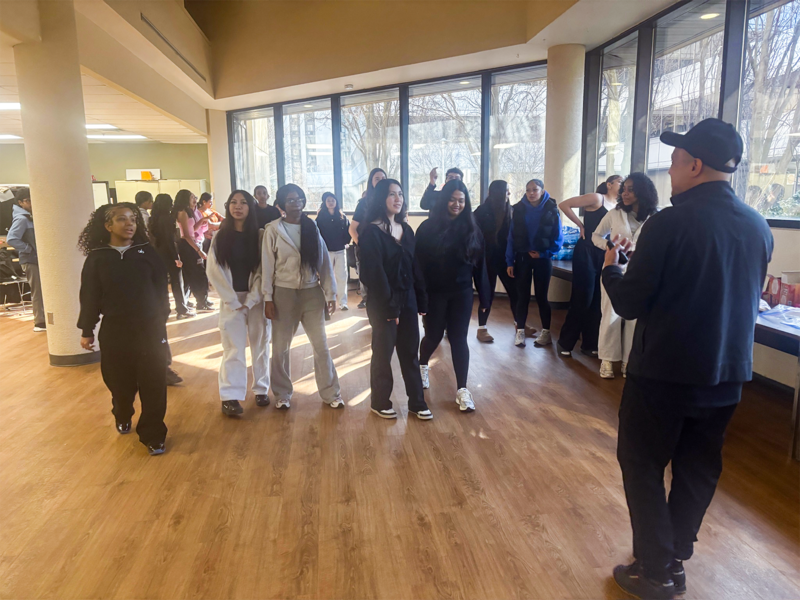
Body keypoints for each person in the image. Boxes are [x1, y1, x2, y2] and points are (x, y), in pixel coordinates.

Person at [603, 119, 773, 600]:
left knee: (641, 462)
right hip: (727, 375)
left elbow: (631, 302)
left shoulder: (668, 223)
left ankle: (655, 569)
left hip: (663, 374)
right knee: (699, 467)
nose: (670, 172)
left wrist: (612, 270)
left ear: (695, 164)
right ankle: (673, 556)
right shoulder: (758, 226)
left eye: (675, 162)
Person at [77, 203, 170, 456]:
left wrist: (163, 319)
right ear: (108, 226)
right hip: (116, 330)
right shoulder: (98, 258)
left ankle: (153, 434)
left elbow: (161, 289)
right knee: (119, 382)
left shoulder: (147, 253)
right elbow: (90, 296)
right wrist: (87, 329)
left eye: (133, 219)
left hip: (150, 328)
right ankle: (122, 410)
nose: (129, 224)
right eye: (121, 219)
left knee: (153, 382)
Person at [261, 184, 343, 410]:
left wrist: (330, 293)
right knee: (280, 348)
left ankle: (331, 393)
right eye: (290, 200)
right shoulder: (273, 230)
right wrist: (268, 297)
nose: (296, 204)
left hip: (311, 293)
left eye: (299, 199)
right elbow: (267, 267)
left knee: (321, 346)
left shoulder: (311, 227)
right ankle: (282, 394)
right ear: (280, 206)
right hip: (283, 294)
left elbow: (324, 262)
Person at [358, 178, 432, 420]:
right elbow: (374, 274)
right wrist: (391, 307)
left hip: (407, 298)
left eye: (400, 193)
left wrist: (421, 299)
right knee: (383, 353)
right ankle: (379, 402)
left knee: (410, 352)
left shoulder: (406, 229)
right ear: (382, 198)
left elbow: (415, 267)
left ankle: (416, 402)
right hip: (382, 303)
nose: (397, 198)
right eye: (392, 194)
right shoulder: (370, 232)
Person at [416, 179, 490, 412]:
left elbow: (480, 266)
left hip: (461, 293)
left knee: (459, 338)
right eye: (452, 199)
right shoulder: (427, 228)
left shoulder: (472, 229)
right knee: (434, 335)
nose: (456, 204)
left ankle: (462, 389)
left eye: (461, 200)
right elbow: (418, 265)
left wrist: (486, 297)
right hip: (434, 293)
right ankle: (422, 365)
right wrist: (421, 296)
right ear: (443, 200)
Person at [207, 190, 270, 416]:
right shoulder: (220, 236)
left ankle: (261, 389)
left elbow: (265, 270)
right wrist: (232, 300)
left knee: (260, 345)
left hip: (256, 300)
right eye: (233, 202)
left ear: (250, 208)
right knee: (233, 348)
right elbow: (213, 271)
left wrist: (252, 299)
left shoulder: (260, 235)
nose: (238, 206)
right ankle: (230, 396)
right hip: (230, 301)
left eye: (243, 203)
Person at [592, 173, 658, 379]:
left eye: (631, 189)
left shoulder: (656, 217)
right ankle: (607, 360)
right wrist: (610, 247)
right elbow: (596, 235)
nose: (625, 193)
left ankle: (629, 361)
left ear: (643, 191)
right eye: (624, 189)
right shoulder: (614, 213)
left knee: (634, 319)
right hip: (614, 269)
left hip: (641, 272)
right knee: (610, 316)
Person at [556, 175, 623, 357]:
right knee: (583, 297)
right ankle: (565, 342)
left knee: (597, 300)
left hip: (603, 252)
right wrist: (580, 226)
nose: (623, 184)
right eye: (620, 181)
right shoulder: (597, 198)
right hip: (586, 250)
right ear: (609, 184)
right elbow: (564, 204)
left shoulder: (618, 206)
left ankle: (589, 344)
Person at [505, 179, 563, 348]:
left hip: (543, 259)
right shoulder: (518, 209)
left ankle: (546, 333)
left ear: (542, 191)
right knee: (522, 297)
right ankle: (520, 331)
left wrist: (544, 253)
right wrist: (510, 261)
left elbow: (558, 238)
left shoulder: (552, 209)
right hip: (523, 258)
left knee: (541, 297)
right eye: (528, 189)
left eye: (535, 190)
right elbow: (511, 237)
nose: (531, 193)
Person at [473, 180, 525, 343]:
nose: (508, 194)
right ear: (496, 193)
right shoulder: (481, 212)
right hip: (486, 259)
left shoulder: (511, 210)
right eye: (506, 191)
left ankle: (520, 325)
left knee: (514, 292)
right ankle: (482, 328)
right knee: (486, 293)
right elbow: (475, 236)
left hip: (505, 259)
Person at [6, 188, 45, 332]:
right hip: (30, 260)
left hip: (35, 259)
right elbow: (11, 239)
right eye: (28, 200)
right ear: (21, 202)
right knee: (37, 291)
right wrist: (28, 248)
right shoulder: (22, 218)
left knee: (42, 290)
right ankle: (40, 322)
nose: (31, 203)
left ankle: (43, 318)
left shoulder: (29, 216)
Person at [150, 194, 192, 320]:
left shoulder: (153, 218)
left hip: (157, 254)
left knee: (162, 284)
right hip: (168, 253)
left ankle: (163, 310)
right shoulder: (167, 219)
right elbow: (169, 240)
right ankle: (182, 309)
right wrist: (176, 257)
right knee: (177, 282)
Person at [349, 167, 387, 309]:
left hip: (386, 250)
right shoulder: (364, 203)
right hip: (367, 250)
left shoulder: (390, 201)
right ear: (371, 182)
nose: (381, 181)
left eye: (383, 178)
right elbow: (352, 229)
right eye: (377, 179)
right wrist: (363, 245)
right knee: (370, 284)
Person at [173, 189, 214, 312]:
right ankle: (201, 302)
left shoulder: (191, 212)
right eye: (192, 197)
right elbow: (186, 235)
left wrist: (202, 221)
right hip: (189, 245)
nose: (195, 199)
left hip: (195, 243)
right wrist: (198, 250)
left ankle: (202, 300)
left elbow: (193, 229)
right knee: (197, 274)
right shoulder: (182, 213)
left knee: (196, 274)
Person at [316, 192, 351, 311]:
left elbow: (348, 231)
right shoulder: (320, 217)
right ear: (325, 203)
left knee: (342, 276)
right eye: (328, 200)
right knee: (327, 276)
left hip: (340, 250)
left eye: (333, 200)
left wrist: (346, 242)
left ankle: (343, 302)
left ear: (336, 202)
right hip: (327, 251)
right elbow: (317, 233)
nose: (331, 202)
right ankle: (327, 301)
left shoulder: (342, 216)